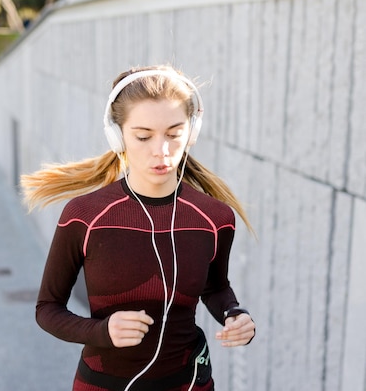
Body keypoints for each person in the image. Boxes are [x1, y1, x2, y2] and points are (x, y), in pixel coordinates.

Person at [20, 65, 256, 391]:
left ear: (193, 131)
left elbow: (214, 288)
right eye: (143, 136)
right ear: (117, 135)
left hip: (190, 383)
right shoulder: (84, 216)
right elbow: (47, 309)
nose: (161, 150)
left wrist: (235, 314)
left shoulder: (215, 218)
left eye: (174, 134)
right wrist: (101, 331)